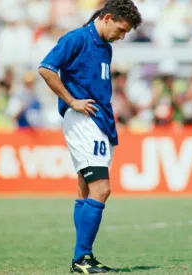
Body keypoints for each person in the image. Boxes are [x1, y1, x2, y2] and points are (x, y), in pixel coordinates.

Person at [37, 1, 142, 273]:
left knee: (85, 187)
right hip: (84, 121)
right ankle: (81, 258)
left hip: (100, 121)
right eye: (121, 29)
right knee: (102, 188)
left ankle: (83, 258)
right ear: (107, 18)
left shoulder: (105, 46)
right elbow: (46, 68)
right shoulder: (77, 38)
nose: (122, 36)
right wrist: (72, 101)